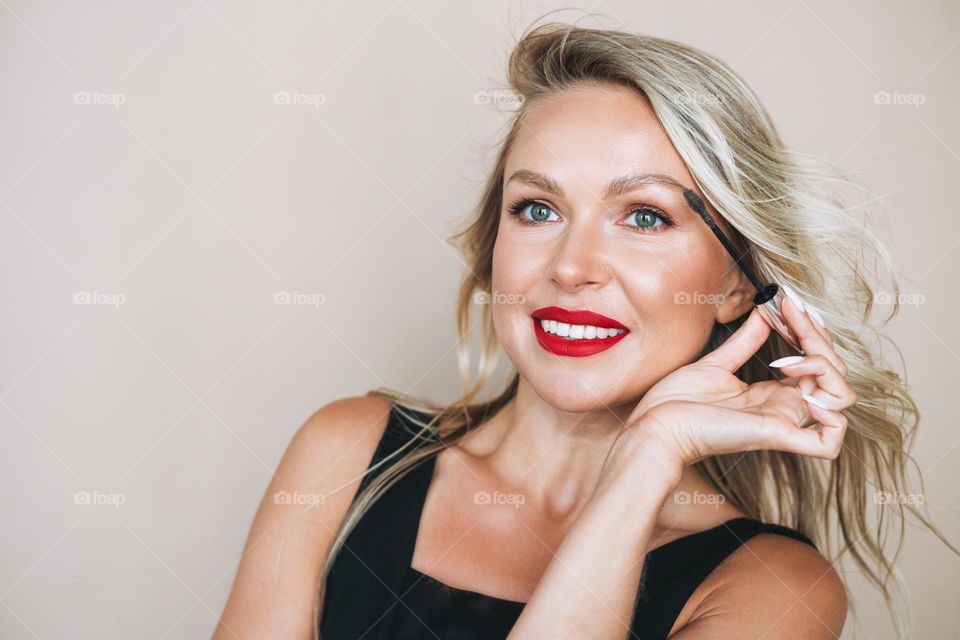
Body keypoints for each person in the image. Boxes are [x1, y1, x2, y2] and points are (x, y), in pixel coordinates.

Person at [214, 20, 954, 640]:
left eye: (644, 216)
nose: (572, 267)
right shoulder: (346, 455)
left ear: (735, 284)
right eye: (537, 209)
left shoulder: (772, 589)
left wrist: (646, 460)